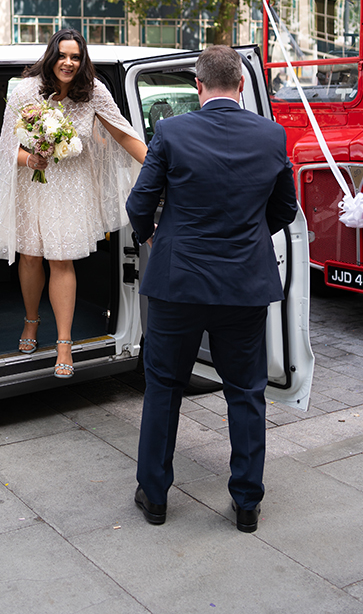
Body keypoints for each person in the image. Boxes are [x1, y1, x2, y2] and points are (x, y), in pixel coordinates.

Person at [126, 45, 297, 531]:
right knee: (246, 391)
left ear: (196, 87)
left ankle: (155, 497)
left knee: (164, 386)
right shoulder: (271, 135)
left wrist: (153, 235)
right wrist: (245, 234)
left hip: (177, 283)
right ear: (241, 86)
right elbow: (284, 209)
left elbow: (140, 203)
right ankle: (246, 503)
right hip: (243, 284)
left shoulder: (171, 131)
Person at [0, 29, 147, 378]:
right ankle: (31, 322)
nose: (68, 63)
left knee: (60, 259)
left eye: (75, 57)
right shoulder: (27, 91)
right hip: (32, 183)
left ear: (82, 60)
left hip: (72, 187)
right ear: (51, 56)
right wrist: (31, 159)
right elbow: (3, 148)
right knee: (30, 256)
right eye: (62, 55)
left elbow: (121, 132)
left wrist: (157, 169)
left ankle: (63, 342)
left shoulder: (93, 92)